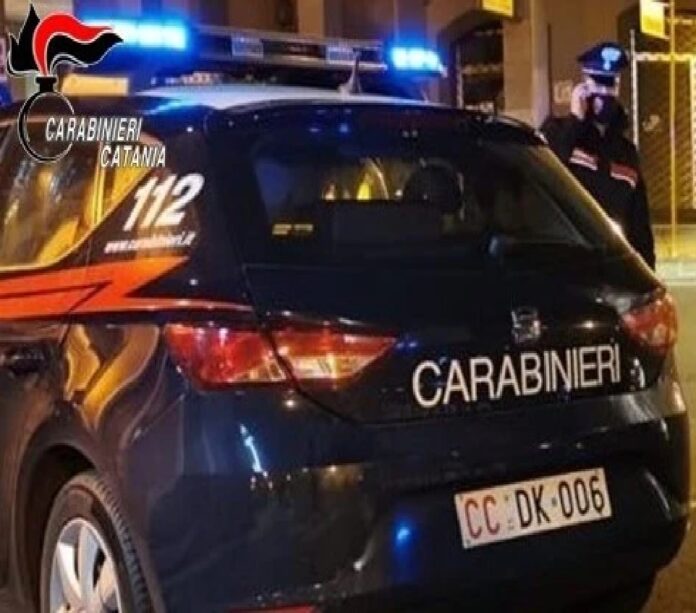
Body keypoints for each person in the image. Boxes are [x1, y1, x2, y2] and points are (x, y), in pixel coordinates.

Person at [541, 42, 656, 269]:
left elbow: (640, 224)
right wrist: (575, 120)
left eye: (610, 83)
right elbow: (547, 176)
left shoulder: (626, 152)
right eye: (598, 82)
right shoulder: (557, 133)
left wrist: (647, 273)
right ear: (583, 85)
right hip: (568, 263)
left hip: (613, 265)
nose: (604, 92)